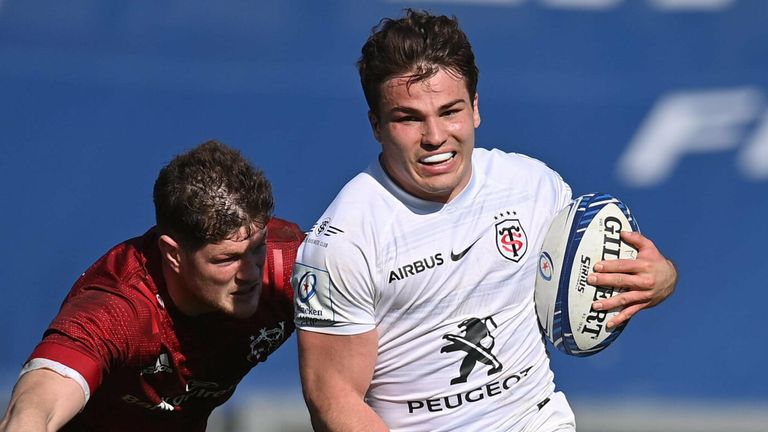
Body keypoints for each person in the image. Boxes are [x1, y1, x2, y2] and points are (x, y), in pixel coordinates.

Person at [292, 9, 678, 432]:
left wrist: (659, 278)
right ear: (376, 126)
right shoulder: (344, 242)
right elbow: (333, 399)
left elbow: (588, 277)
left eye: (450, 111)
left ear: (475, 108)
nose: (435, 136)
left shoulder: (533, 187)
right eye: (409, 118)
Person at [0, 140, 304, 432]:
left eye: (257, 248)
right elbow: (34, 408)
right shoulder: (119, 309)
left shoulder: (293, 267)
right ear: (173, 254)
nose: (250, 273)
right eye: (227, 260)